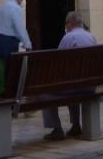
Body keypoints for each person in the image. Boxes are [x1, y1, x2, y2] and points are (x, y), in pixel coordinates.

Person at [42, 11, 98, 141]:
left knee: (46, 92)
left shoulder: (68, 38)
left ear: (70, 24)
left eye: (66, 24)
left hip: (75, 86)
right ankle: (76, 125)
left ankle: (56, 128)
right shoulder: (91, 37)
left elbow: (58, 62)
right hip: (89, 86)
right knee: (71, 84)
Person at [0, 0, 34, 70]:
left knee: (1, 69)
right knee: (10, 70)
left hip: (0, 41)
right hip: (10, 42)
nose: (23, 1)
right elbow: (21, 29)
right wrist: (28, 45)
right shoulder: (16, 8)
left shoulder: (1, 7)